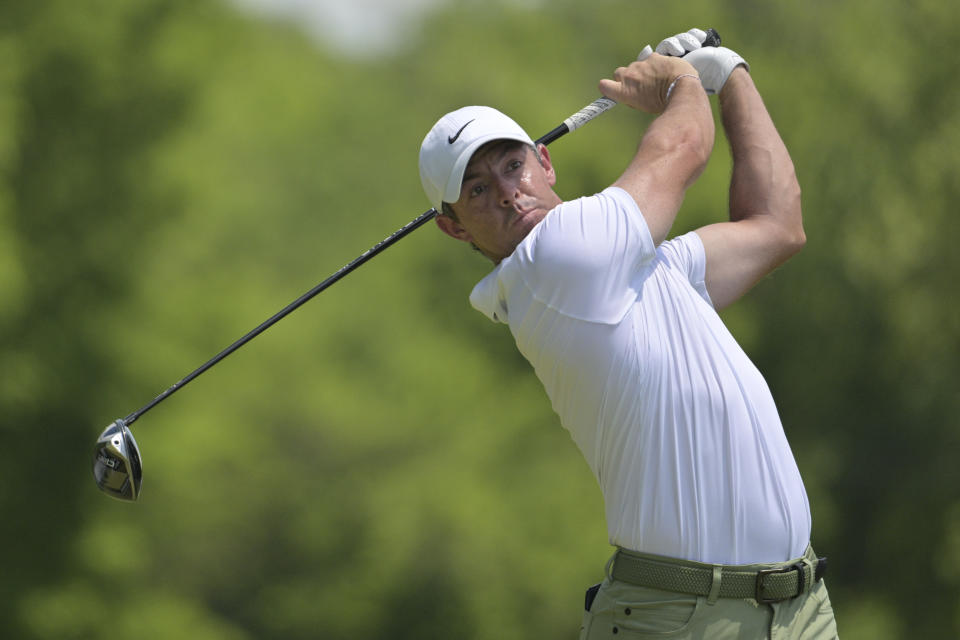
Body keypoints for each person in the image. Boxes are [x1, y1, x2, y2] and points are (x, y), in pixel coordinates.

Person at [418, 28, 839, 639]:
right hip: (680, 618)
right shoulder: (556, 261)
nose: (510, 194)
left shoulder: (642, 271)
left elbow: (777, 225)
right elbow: (685, 146)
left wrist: (730, 76)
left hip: (797, 608)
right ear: (455, 230)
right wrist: (680, 81)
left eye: (513, 165)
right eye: (478, 190)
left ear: (545, 161)